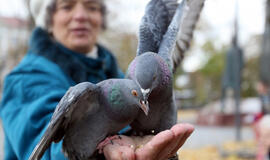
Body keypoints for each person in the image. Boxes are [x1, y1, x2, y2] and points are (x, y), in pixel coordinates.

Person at [0, 0, 194, 159]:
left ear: (101, 18)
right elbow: (44, 147)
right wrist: (100, 155)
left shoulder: (119, 75)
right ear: (48, 20)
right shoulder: (25, 80)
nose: (81, 15)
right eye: (67, 6)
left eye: (91, 6)